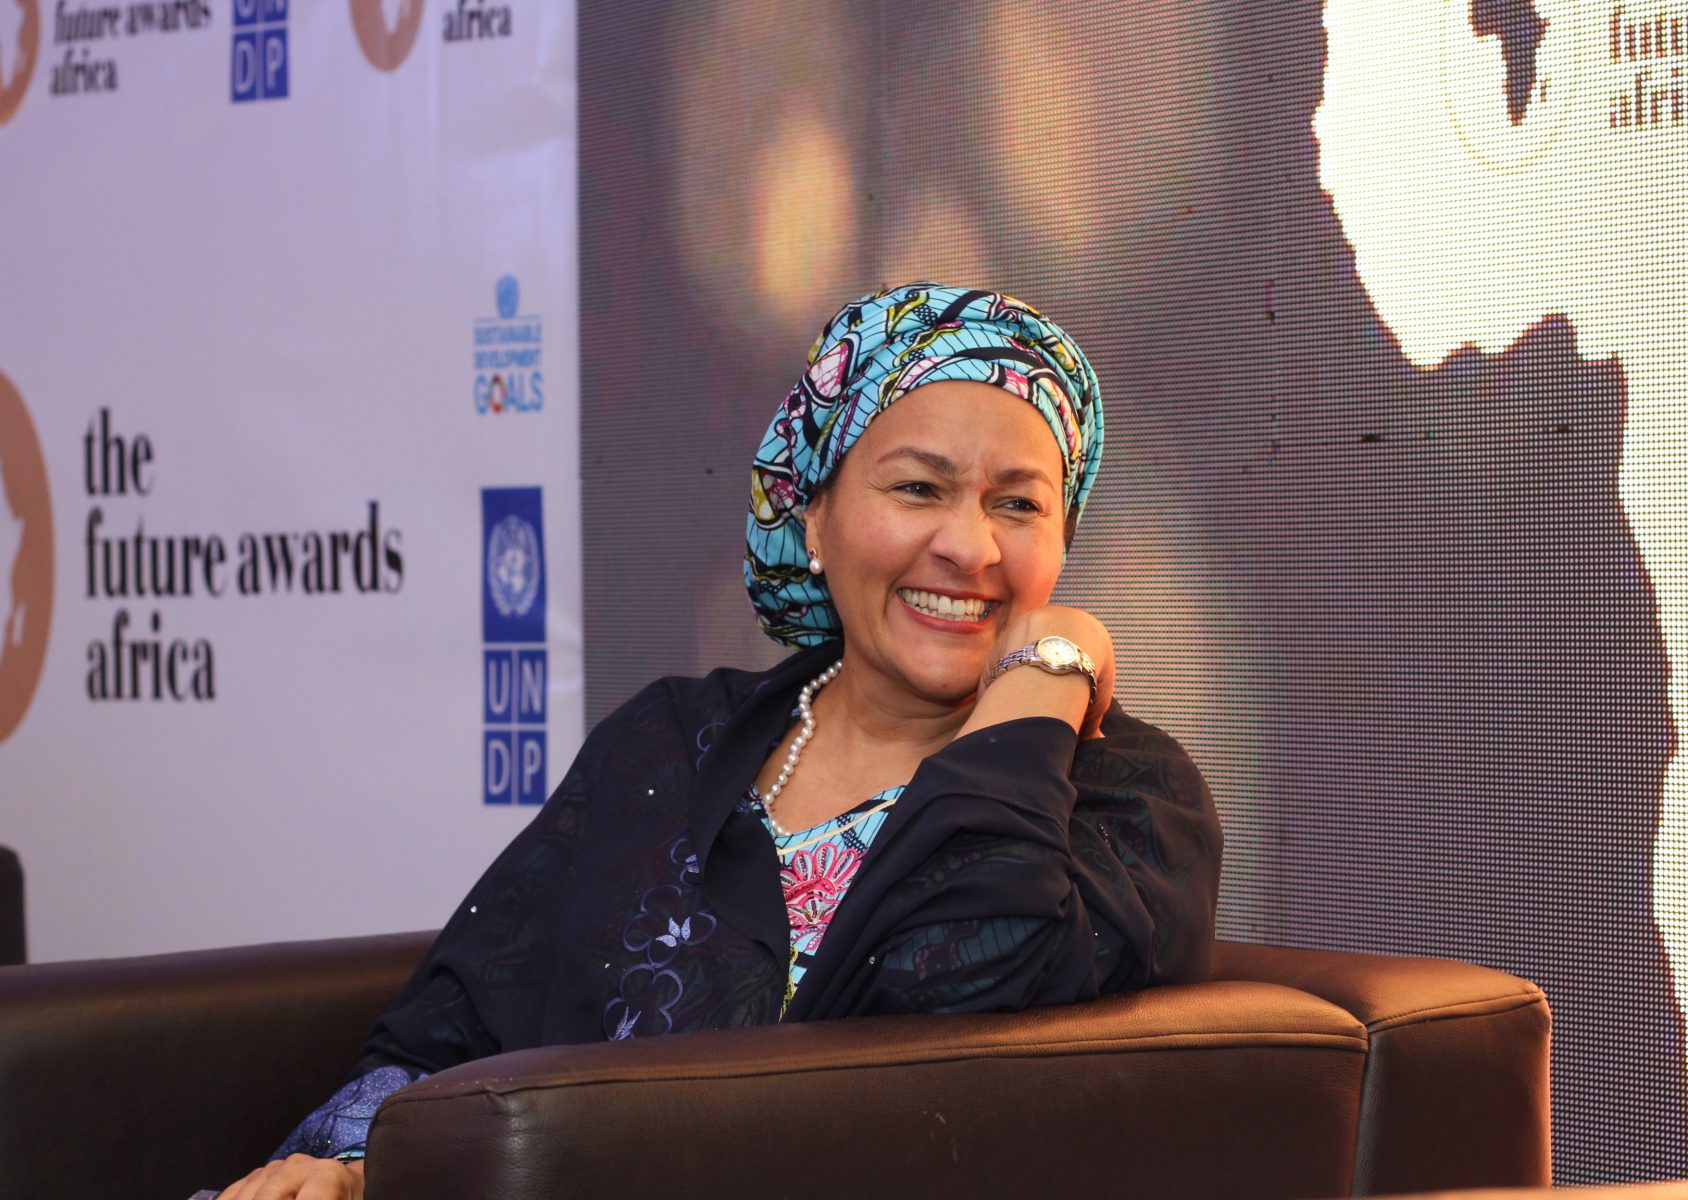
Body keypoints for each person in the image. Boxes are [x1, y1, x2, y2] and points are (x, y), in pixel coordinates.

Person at [217, 282, 1223, 1200]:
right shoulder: (672, 743)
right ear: (815, 518)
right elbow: (459, 1024)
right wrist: (353, 1170)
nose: (970, 546)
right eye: (919, 489)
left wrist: (1047, 669)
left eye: (1019, 505)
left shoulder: (1128, 798)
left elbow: (960, 986)